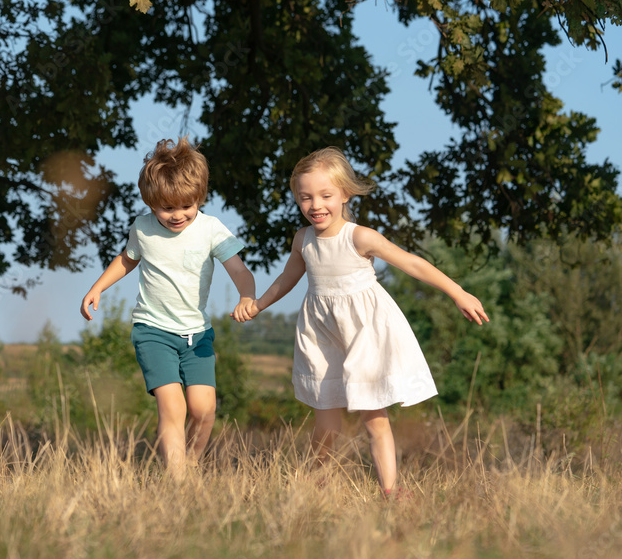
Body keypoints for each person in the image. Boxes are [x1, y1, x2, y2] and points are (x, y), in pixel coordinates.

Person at [236, 146, 489, 496]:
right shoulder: (303, 240)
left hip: (364, 334)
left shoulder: (359, 236)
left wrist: (457, 292)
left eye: (326, 195)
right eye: (305, 197)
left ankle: (390, 490)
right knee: (325, 419)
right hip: (321, 334)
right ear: (296, 198)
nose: (316, 205)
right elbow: (287, 278)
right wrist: (259, 304)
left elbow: (411, 263)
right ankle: (316, 484)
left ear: (344, 194)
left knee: (374, 417)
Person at [81, 137, 256, 479]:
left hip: (198, 335)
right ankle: (178, 483)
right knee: (172, 405)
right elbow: (127, 260)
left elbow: (239, 270)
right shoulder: (142, 229)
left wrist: (246, 296)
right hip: (153, 331)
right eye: (167, 208)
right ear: (150, 202)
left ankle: (190, 464)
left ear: (200, 197)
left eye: (187, 206)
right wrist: (97, 287)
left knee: (204, 410)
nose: (177, 215)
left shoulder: (210, 229)